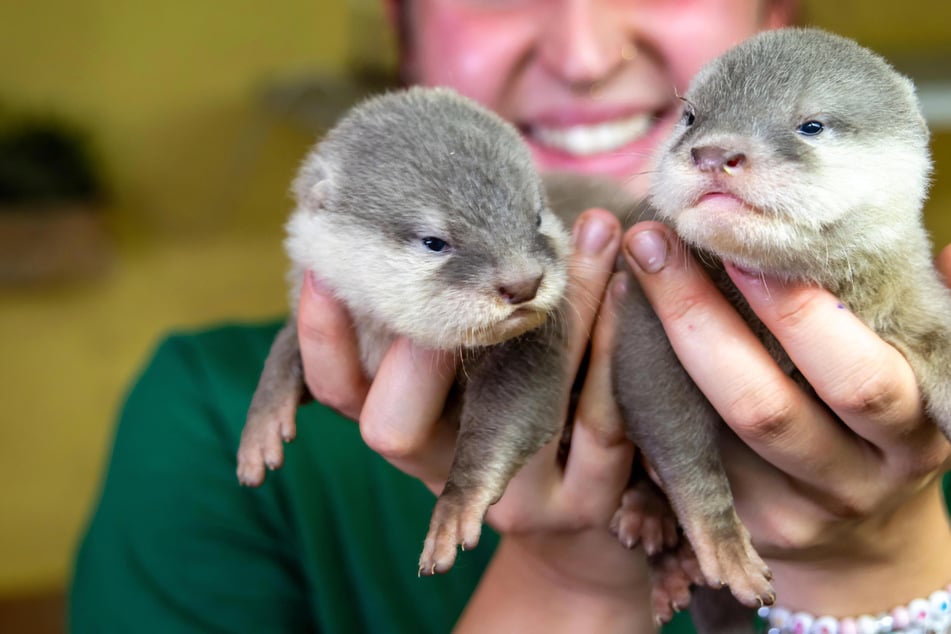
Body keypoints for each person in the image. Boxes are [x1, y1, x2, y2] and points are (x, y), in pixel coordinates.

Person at [71, 0, 951, 632]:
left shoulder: (918, 379)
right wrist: (567, 582)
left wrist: (876, 566)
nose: (583, 51)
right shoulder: (198, 416)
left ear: (775, 27)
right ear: (400, 30)